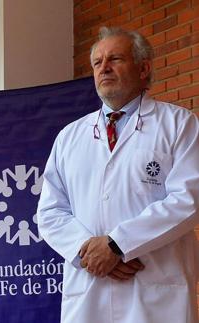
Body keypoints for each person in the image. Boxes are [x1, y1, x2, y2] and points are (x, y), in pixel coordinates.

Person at [37, 26, 199, 323]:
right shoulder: (69, 137)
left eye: (115, 59)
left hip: (155, 292)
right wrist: (89, 251)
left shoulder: (179, 125)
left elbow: (188, 200)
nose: (104, 68)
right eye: (98, 62)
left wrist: (117, 245)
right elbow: (49, 212)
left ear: (144, 67)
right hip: (90, 289)